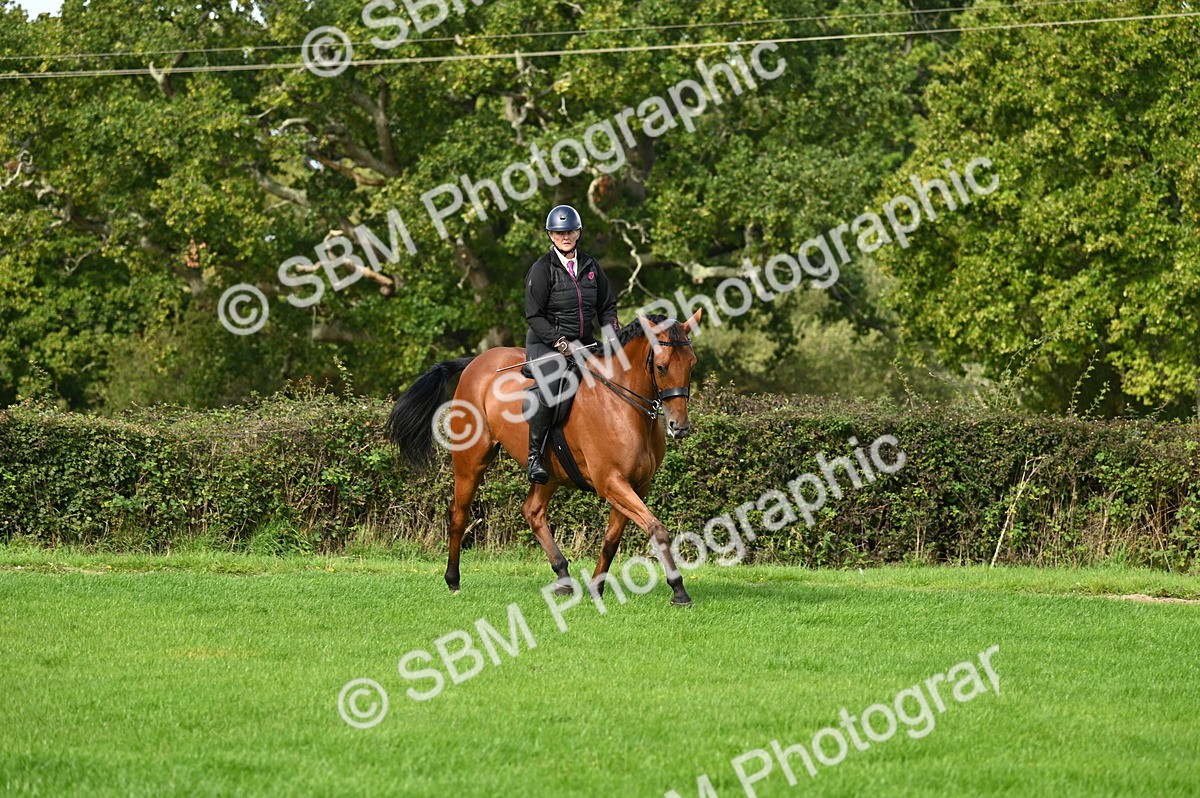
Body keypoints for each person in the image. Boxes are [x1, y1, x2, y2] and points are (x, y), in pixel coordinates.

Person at [523, 204, 620, 483]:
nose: (565, 236)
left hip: (584, 342)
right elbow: (534, 316)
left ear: (578, 233)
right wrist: (561, 343)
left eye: (570, 231)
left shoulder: (591, 266)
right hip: (545, 344)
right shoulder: (542, 270)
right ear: (551, 235)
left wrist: (612, 336)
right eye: (559, 232)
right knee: (553, 385)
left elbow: (607, 306)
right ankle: (535, 457)